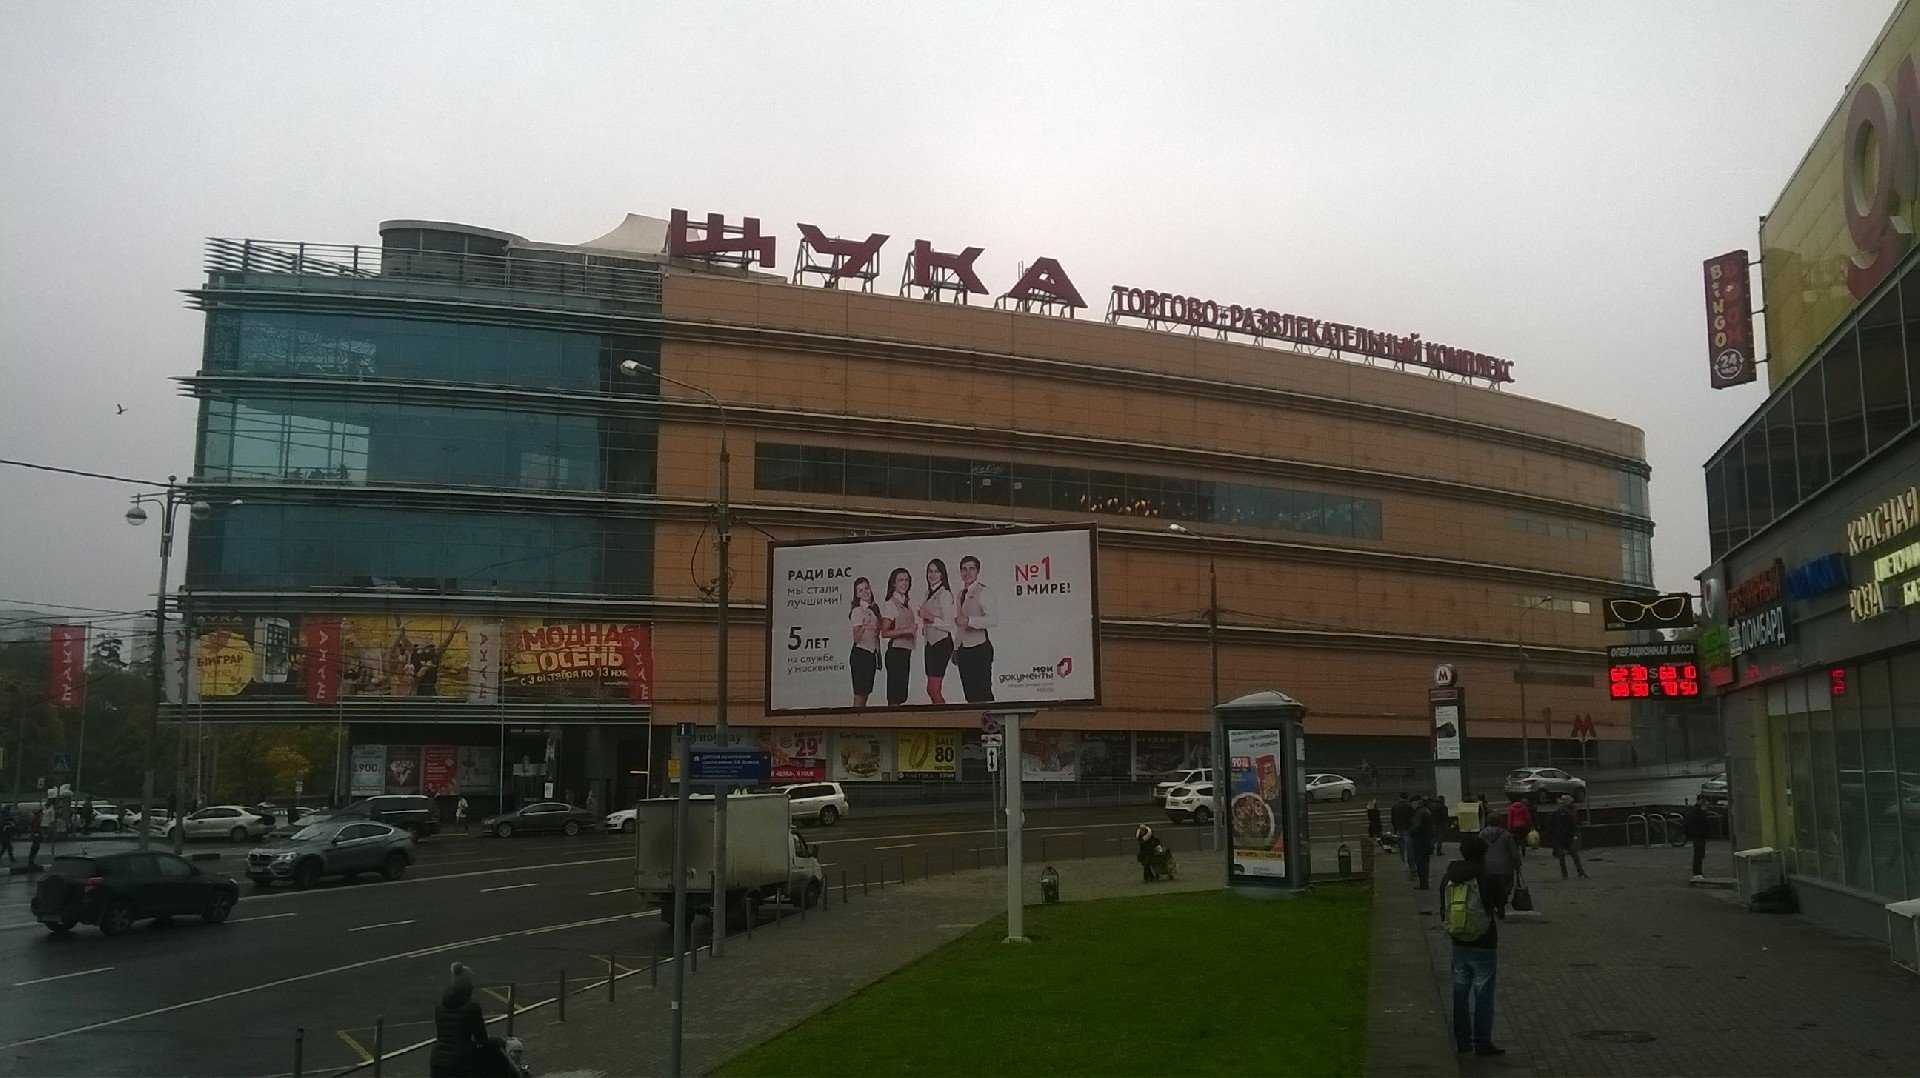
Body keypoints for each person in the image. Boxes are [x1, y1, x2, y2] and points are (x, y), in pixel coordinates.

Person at [1442, 834, 1504, 1057]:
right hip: (1484, 942)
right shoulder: (1487, 876)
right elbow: (1499, 903)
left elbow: (1444, 908)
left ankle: (1462, 1041)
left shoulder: (1450, 876)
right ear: (1483, 854)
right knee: (1483, 993)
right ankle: (1482, 1042)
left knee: (1460, 993)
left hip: (1458, 940)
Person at [430, 961, 490, 1077]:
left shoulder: (440, 1007)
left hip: (438, 1059)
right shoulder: (472, 1008)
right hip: (460, 1061)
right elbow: (481, 1038)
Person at [952, 554, 998, 703]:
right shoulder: (959, 594)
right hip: (963, 651)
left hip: (980, 649)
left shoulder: (984, 591)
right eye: (964, 569)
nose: (967, 572)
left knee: (983, 693)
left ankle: (993, 725)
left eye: (971, 568)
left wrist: (969, 620)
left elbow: (993, 619)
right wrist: (956, 648)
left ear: (977, 571)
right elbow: (959, 625)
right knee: (970, 695)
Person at [917, 558, 956, 705]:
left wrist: (930, 618)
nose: (932, 574)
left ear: (942, 574)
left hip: (941, 644)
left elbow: (949, 625)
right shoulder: (928, 592)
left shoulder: (945, 594)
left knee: (933, 689)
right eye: (930, 571)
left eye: (936, 571)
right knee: (930, 689)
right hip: (930, 644)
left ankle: (946, 719)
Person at [879, 567, 917, 706]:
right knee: (895, 697)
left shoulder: (905, 602)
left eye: (907, 580)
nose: (904, 583)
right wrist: (907, 630)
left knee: (901, 696)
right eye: (901, 580)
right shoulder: (890, 604)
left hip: (905, 653)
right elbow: (884, 632)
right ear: (894, 584)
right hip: (896, 653)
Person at [1478, 811, 1519, 919]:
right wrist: (1517, 864)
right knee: (1505, 888)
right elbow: (1514, 852)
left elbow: (1478, 850)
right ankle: (1501, 904)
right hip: (1505, 867)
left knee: (1489, 888)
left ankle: (1492, 905)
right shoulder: (1506, 835)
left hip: (1487, 867)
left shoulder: (1482, 834)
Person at [848, 577, 882, 707]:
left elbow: (875, 636)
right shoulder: (857, 611)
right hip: (860, 655)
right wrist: (863, 625)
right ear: (857, 594)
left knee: (866, 695)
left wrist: (878, 658)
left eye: (866, 588)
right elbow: (856, 638)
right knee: (859, 697)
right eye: (860, 590)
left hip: (870, 656)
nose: (865, 592)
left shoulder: (874, 609)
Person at [1544, 794, 1588, 879]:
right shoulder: (1569, 814)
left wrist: (1551, 837)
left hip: (1559, 838)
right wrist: (1572, 835)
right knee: (1574, 856)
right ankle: (1580, 872)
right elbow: (1573, 825)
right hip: (1566, 838)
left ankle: (1566, 874)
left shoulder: (1555, 814)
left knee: (1563, 857)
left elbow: (1550, 827)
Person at [1408, 795, 1436, 889]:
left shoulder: (1419, 812)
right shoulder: (1426, 810)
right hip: (1426, 840)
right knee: (1425, 863)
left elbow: (1416, 827)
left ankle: (1423, 884)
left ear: (1416, 802)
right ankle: (1424, 883)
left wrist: (1410, 832)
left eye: (1412, 803)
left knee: (1420, 862)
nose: (1411, 806)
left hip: (1420, 841)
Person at [1683, 794, 1713, 879]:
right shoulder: (1697, 811)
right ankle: (1697, 873)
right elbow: (1698, 822)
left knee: (1700, 854)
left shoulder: (1699, 811)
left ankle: (1698, 872)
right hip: (1698, 835)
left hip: (1700, 835)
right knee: (1698, 854)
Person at [1389, 793, 1414, 871]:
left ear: (1399, 798)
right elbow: (1412, 818)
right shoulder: (1409, 806)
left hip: (1399, 829)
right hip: (1407, 829)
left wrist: (1395, 829)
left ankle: (1403, 862)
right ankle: (1411, 865)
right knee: (1409, 848)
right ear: (1407, 798)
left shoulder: (1395, 806)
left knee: (1401, 847)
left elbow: (1392, 819)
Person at [1506, 796, 1534, 860]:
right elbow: (1528, 817)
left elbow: (1510, 819)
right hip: (1523, 826)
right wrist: (1530, 824)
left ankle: (1516, 852)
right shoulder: (1524, 808)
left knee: (1515, 840)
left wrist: (1509, 827)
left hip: (1514, 826)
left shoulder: (1511, 808)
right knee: (1523, 839)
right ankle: (1523, 850)